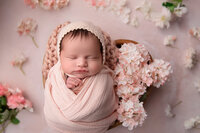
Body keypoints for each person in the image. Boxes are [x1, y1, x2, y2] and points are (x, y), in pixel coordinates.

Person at [43, 21, 118, 133]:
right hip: (59, 122)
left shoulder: (104, 77)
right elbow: (55, 94)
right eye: (72, 57)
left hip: (96, 122)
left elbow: (105, 98)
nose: (82, 63)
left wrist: (81, 89)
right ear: (60, 57)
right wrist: (66, 83)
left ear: (102, 58)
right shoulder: (57, 75)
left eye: (91, 57)